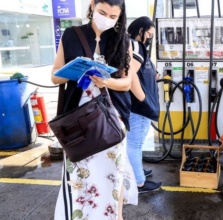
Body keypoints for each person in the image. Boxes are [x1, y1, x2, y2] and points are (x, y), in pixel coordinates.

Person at [51, 0, 138, 219]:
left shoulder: (123, 40)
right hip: (76, 121)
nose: (106, 19)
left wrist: (105, 81)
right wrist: (75, 70)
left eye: (113, 16)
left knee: (113, 175)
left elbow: (127, 83)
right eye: (102, 12)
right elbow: (54, 76)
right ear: (92, 5)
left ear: (120, 17)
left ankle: (115, 216)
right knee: (79, 178)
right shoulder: (71, 35)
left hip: (111, 119)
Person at [126, 16, 162, 193]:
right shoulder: (136, 45)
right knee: (134, 145)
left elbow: (138, 72)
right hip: (138, 108)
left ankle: (136, 171)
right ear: (141, 31)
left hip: (139, 108)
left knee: (137, 144)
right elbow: (130, 75)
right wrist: (144, 100)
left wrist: (151, 76)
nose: (150, 37)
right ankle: (139, 182)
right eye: (149, 33)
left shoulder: (132, 45)